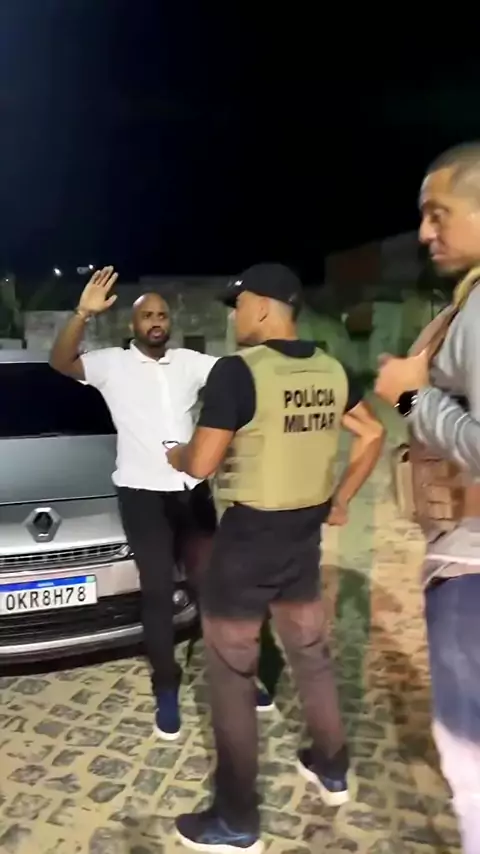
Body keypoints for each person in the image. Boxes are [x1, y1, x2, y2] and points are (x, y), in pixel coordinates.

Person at [166, 262, 385, 853]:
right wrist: (342, 498)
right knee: (310, 653)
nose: (235, 316)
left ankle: (236, 819)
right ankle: (332, 767)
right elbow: (372, 434)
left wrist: (176, 454)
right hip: (302, 537)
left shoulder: (239, 372)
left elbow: (202, 463)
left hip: (248, 541)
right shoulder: (331, 369)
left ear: (262, 306)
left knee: (232, 672)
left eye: (238, 305)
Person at [49, 267, 275, 741]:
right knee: (156, 593)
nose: (155, 321)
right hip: (142, 496)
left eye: (162, 315)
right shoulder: (111, 364)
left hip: (192, 493)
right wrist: (82, 314)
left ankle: (239, 675)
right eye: (147, 315)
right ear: (133, 324)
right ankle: (166, 689)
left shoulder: (189, 362)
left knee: (212, 590)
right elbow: (61, 361)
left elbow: (238, 374)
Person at [375, 142, 480, 854]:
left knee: (470, 764)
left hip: (472, 569)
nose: (423, 232)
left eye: (438, 213)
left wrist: (411, 396)